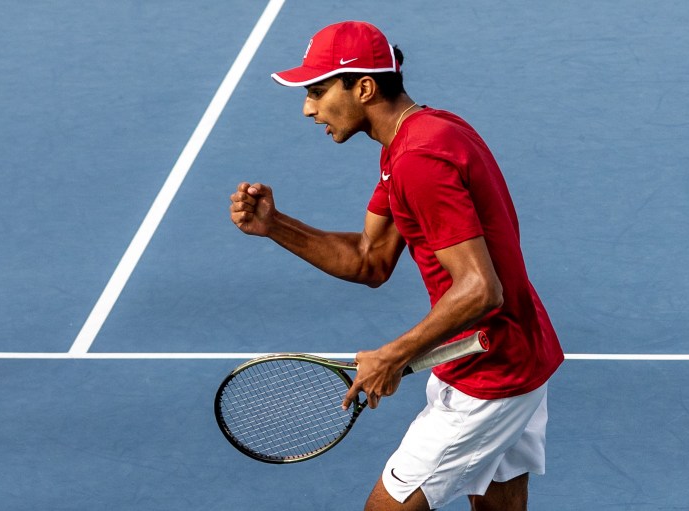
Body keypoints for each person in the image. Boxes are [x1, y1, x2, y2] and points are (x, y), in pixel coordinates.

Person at [229, 20, 564, 511]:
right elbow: (371, 259)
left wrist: (393, 354)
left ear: (364, 86)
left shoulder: (418, 160)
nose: (308, 108)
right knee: (498, 500)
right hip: (514, 353)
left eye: (318, 90)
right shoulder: (422, 134)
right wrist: (275, 224)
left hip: (489, 373)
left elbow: (479, 289)